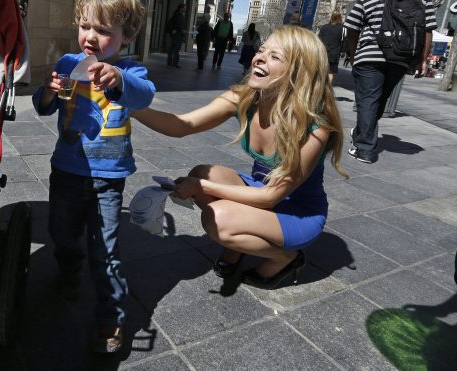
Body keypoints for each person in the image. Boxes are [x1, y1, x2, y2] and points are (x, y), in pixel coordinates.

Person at [133, 25, 347, 289]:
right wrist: (130, 107)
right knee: (202, 172)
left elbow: (271, 196)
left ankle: (285, 256)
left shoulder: (315, 128)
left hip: (298, 213)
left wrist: (200, 188)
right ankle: (238, 247)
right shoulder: (244, 98)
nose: (259, 58)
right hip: (260, 193)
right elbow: (182, 125)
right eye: (261, 50)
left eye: (275, 56)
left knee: (218, 219)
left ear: (298, 73)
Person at [32, 0, 155, 353]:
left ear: (125, 37)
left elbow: (143, 95)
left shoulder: (132, 72)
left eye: (104, 31)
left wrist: (117, 78)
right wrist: (50, 90)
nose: (91, 36)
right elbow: (43, 107)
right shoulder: (69, 64)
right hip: (67, 169)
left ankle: (110, 317)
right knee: (63, 233)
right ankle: (69, 270)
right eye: (86, 26)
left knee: (106, 251)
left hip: (108, 178)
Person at [344, 0, 436, 164]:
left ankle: (364, 149)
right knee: (379, 99)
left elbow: (352, 27)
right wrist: (423, 60)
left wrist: (352, 53)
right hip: (401, 58)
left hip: (370, 56)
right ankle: (361, 133)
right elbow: (427, 31)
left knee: (368, 100)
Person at [318, 10, 344, 84]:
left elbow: (319, 40)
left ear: (331, 17)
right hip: (334, 53)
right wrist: (343, 51)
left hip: (323, 52)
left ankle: (319, 88)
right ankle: (326, 89)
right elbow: (344, 41)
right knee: (330, 73)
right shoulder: (342, 28)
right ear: (340, 17)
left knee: (321, 71)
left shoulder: (324, 27)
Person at [166, 3, 186, 68]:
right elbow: (180, 27)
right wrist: (183, 32)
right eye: (184, 8)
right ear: (181, 8)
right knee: (176, 50)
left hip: (174, 35)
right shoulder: (180, 16)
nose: (185, 9)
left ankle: (169, 62)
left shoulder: (175, 14)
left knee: (171, 49)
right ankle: (175, 63)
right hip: (178, 35)